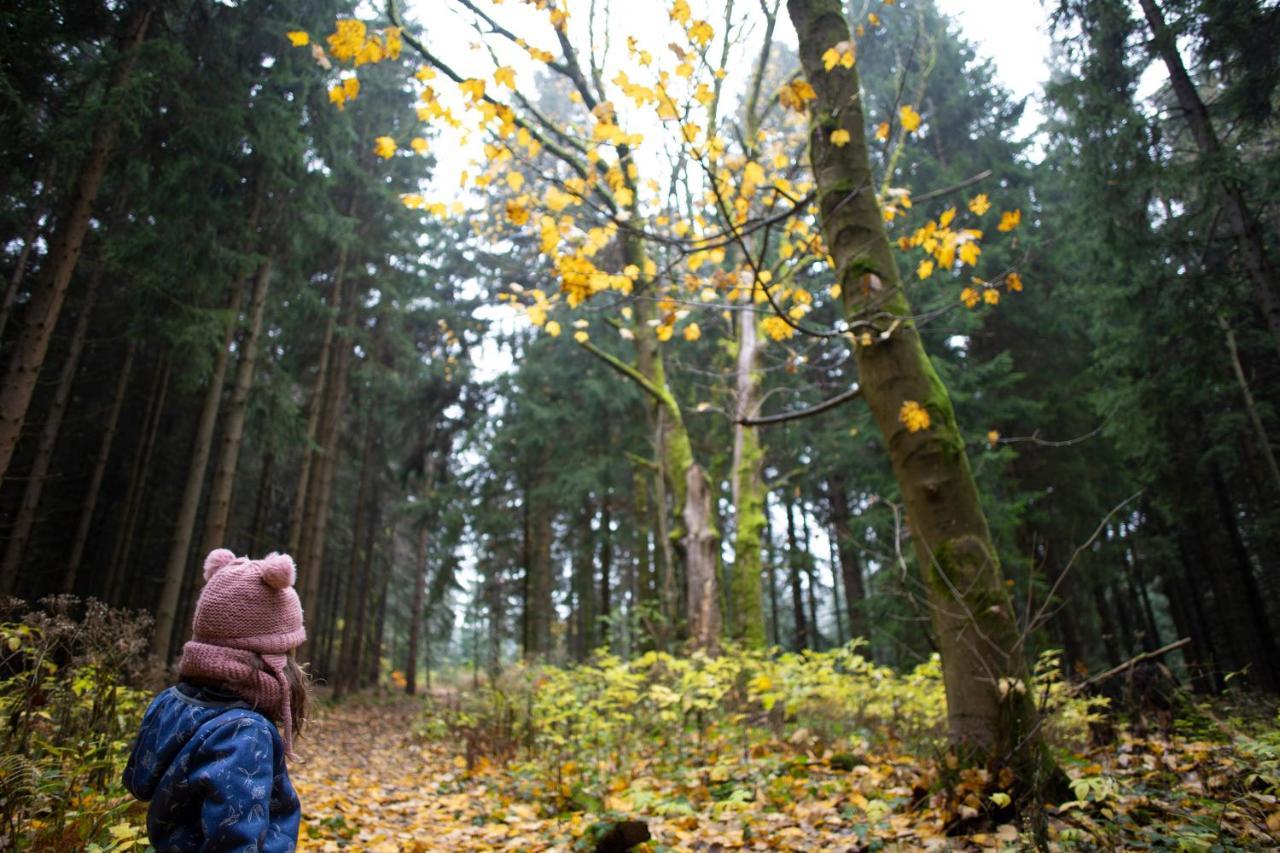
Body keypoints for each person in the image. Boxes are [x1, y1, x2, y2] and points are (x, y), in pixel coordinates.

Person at [124, 549, 310, 852]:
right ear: (272, 655)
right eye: (289, 647)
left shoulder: (168, 703)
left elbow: (137, 782)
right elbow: (235, 842)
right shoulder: (246, 732)